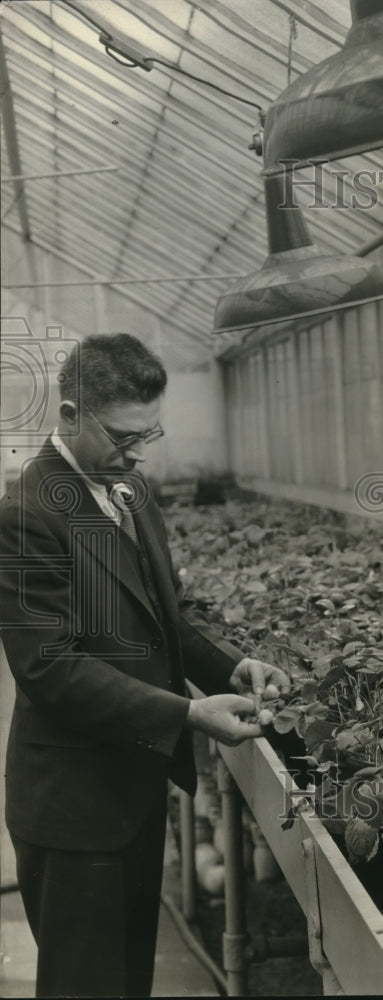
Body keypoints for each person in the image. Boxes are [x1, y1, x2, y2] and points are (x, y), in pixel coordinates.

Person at [0, 332, 289, 998]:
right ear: (70, 415)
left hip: (130, 791)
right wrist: (187, 714)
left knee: (127, 982)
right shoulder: (26, 515)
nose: (136, 455)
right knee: (86, 986)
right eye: (123, 437)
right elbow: (50, 670)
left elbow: (165, 615)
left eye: (147, 436)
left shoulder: (127, 489)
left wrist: (231, 667)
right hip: (73, 809)